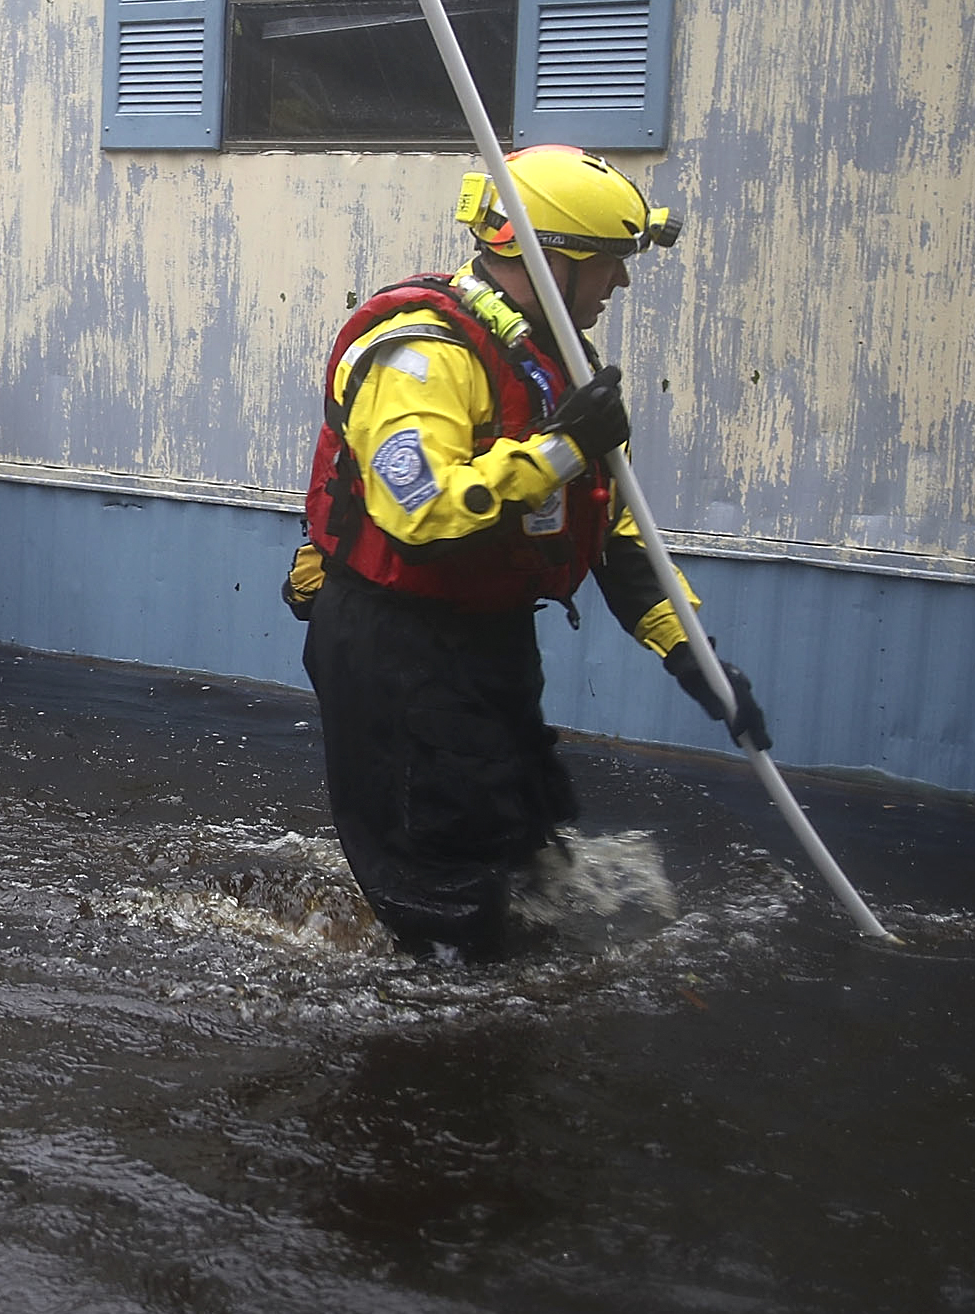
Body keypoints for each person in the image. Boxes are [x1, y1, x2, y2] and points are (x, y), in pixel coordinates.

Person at [284, 145, 770, 959]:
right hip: (399, 650)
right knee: (445, 889)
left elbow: (612, 533)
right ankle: (444, 1040)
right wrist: (560, 450)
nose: (618, 284)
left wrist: (692, 656)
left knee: (524, 841)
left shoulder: (544, 366)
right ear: (551, 262)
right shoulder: (421, 356)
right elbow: (421, 512)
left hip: (489, 640)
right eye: (609, 263)